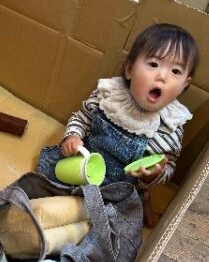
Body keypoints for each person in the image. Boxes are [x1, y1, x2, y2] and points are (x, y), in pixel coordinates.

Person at [37, 23, 199, 227]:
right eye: (153, 64)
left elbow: (169, 167)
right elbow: (82, 117)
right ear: (130, 70)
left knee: (113, 226)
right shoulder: (109, 96)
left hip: (118, 192)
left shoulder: (170, 127)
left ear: (184, 84)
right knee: (45, 181)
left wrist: (155, 174)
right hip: (83, 166)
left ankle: (143, 201)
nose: (162, 76)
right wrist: (73, 136)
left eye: (175, 71)